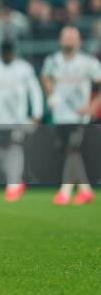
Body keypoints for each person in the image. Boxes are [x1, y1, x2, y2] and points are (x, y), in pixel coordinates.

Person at [41, 26, 101, 205]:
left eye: (72, 37)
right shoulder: (53, 61)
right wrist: (50, 94)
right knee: (70, 152)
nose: (68, 40)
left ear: (79, 41)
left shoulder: (88, 62)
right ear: (60, 40)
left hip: (79, 115)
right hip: (60, 115)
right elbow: (45, 77)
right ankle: (85, 190)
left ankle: (65, 191)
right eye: (65, 37)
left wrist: (92, 107)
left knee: (72, 149)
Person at [0, 40, 43, 202]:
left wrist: (37, 113)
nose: (6, 54)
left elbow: (34, 91)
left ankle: (13, 185)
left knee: (15, 147)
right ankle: (14, 181)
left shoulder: (24, 69)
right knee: (1, 152)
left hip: (18, 118)